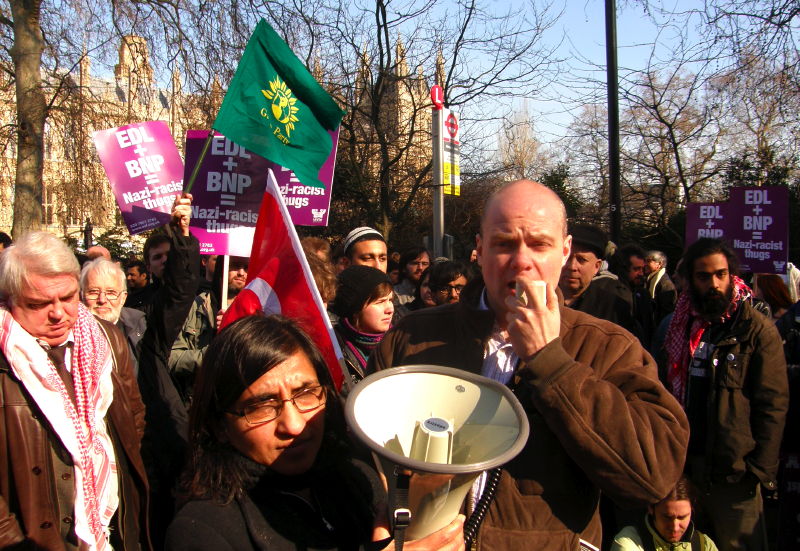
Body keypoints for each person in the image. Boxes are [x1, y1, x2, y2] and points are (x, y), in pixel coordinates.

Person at [371, 180, 689, 549]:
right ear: (480, 250)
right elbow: (363, 454)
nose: (522, 260)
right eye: (504, 243)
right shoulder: (413, 336)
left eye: (539, 244)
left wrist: (551, 363)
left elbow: (652, 475)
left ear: (565, 250)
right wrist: (384, 517)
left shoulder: (608, 347)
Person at [165, 315, 464, 551]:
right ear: (219, 426)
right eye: (261, 407)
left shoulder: (360, 480)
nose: (294, 425)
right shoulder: (202, 530)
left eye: (306, 393)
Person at [0, 231, 149, 550]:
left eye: (67, 298)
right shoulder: (3, 357)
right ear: (10, 298)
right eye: (38, 303)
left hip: (110, 529)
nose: (57, 313)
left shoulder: (107, 338)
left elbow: (132, 418)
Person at [657, 238, 788, 551]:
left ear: (732, 276)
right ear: (690, 280)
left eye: (721, 274)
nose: (714, 284)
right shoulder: (674, 327)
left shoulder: (755, 330)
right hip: (685, 469)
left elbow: (772, 404)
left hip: (735, 475)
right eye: (704, 276)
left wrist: (758, 471)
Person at [169, 256, 248, 404]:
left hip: (240, 402)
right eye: (235, 266)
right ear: (221, 268)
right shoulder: (193, 307)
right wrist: (213, 353)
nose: (241, 273)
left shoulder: (257, 310)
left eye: (246, 267)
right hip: (200, 402)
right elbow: (171, 359)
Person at [558, 223, 638, 335]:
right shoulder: (538, 300)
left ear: (597, 266)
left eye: (581, 260)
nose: (572, 267)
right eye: (567, 258)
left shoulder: (614, 308)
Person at [611, 476, 718, 551]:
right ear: (651, 508)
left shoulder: (703, 545)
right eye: (667, 517)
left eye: (682, 517)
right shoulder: (630, 541)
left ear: (692, 510)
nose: (675, 527)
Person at [331, 265, 394, 386]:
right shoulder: (335, 349)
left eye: (390, 300)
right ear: (355, 310)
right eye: (380, 302)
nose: (390, 309)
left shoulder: (401, 339)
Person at [81, 258, 147, 372]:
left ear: (123, 298)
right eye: (93, 292)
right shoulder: (70, 335)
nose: (102, 300)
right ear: (81, 296)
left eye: (111, 293)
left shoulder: (141, 326)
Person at [644, 250, 677, 324]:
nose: (644, 264)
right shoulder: (648, 280)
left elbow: (666, 314)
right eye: (644, 261)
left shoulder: (666, 285)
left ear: (659, 264)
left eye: (648, 261)